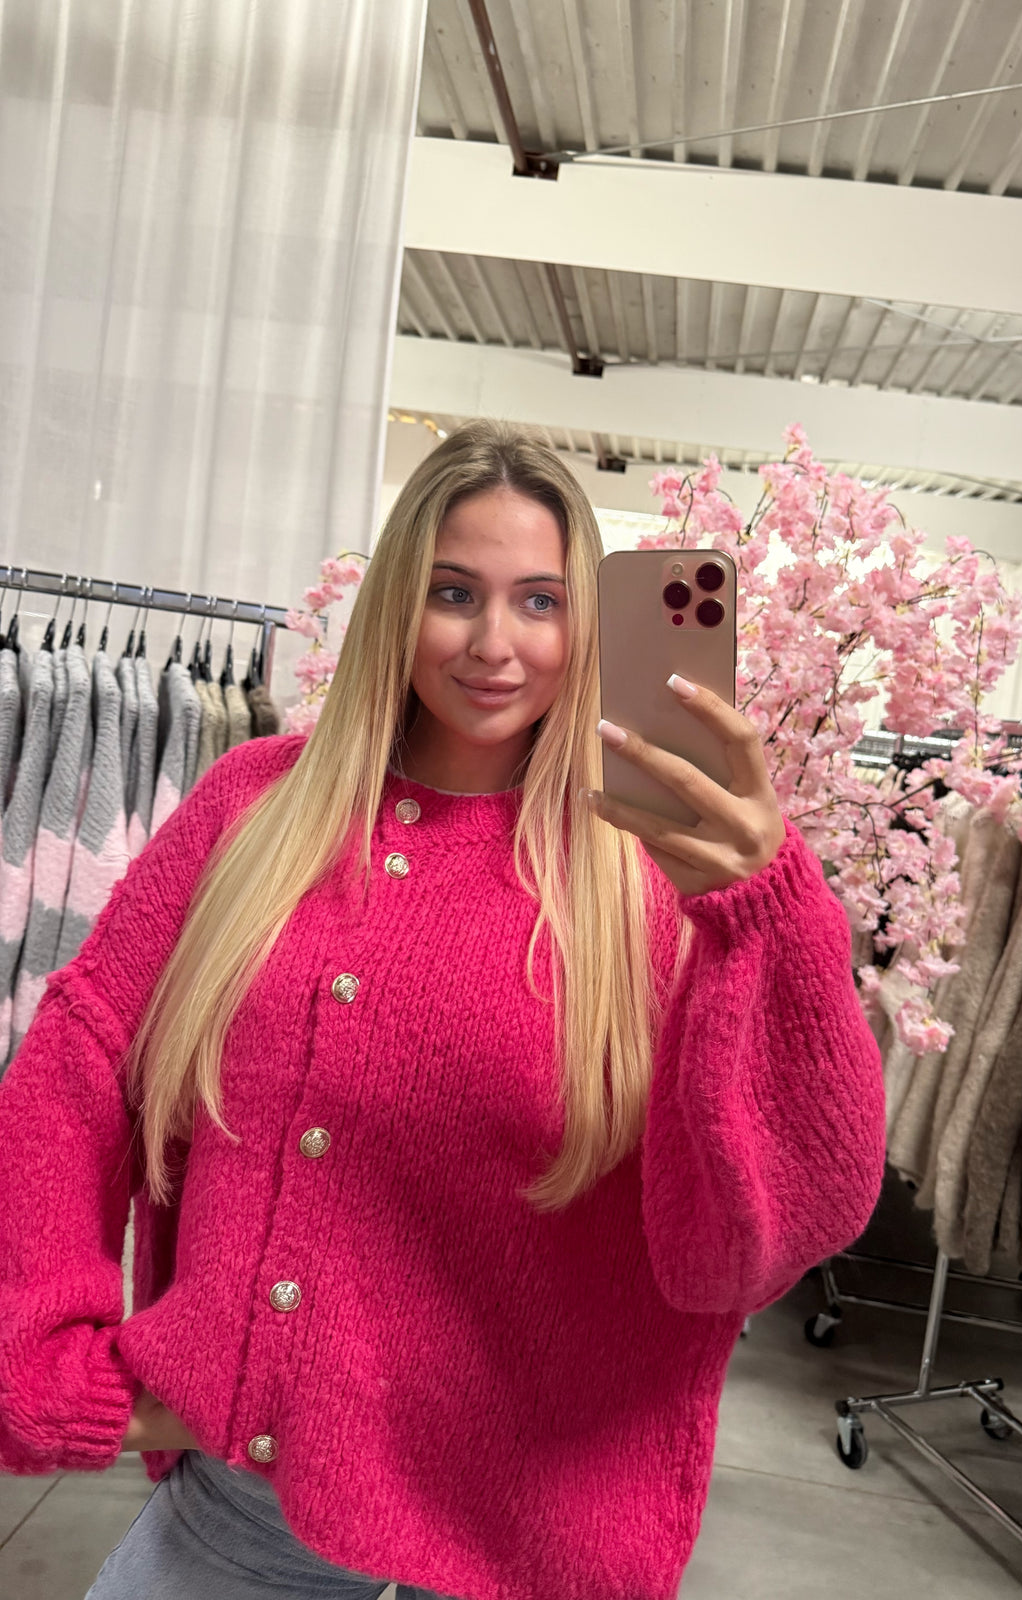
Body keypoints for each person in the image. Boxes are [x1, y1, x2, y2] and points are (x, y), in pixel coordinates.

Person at [0, 420, 886, 1600]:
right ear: (397, 604)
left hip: (536, 1539)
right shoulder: (256, 807)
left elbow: (765, 1229)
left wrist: (766, 914)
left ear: (588, 623)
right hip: (250, 1506)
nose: (493, 644)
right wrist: (44, 1357)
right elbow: (82, 1055)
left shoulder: (657, 873)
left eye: (540, 602)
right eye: (454, 592)